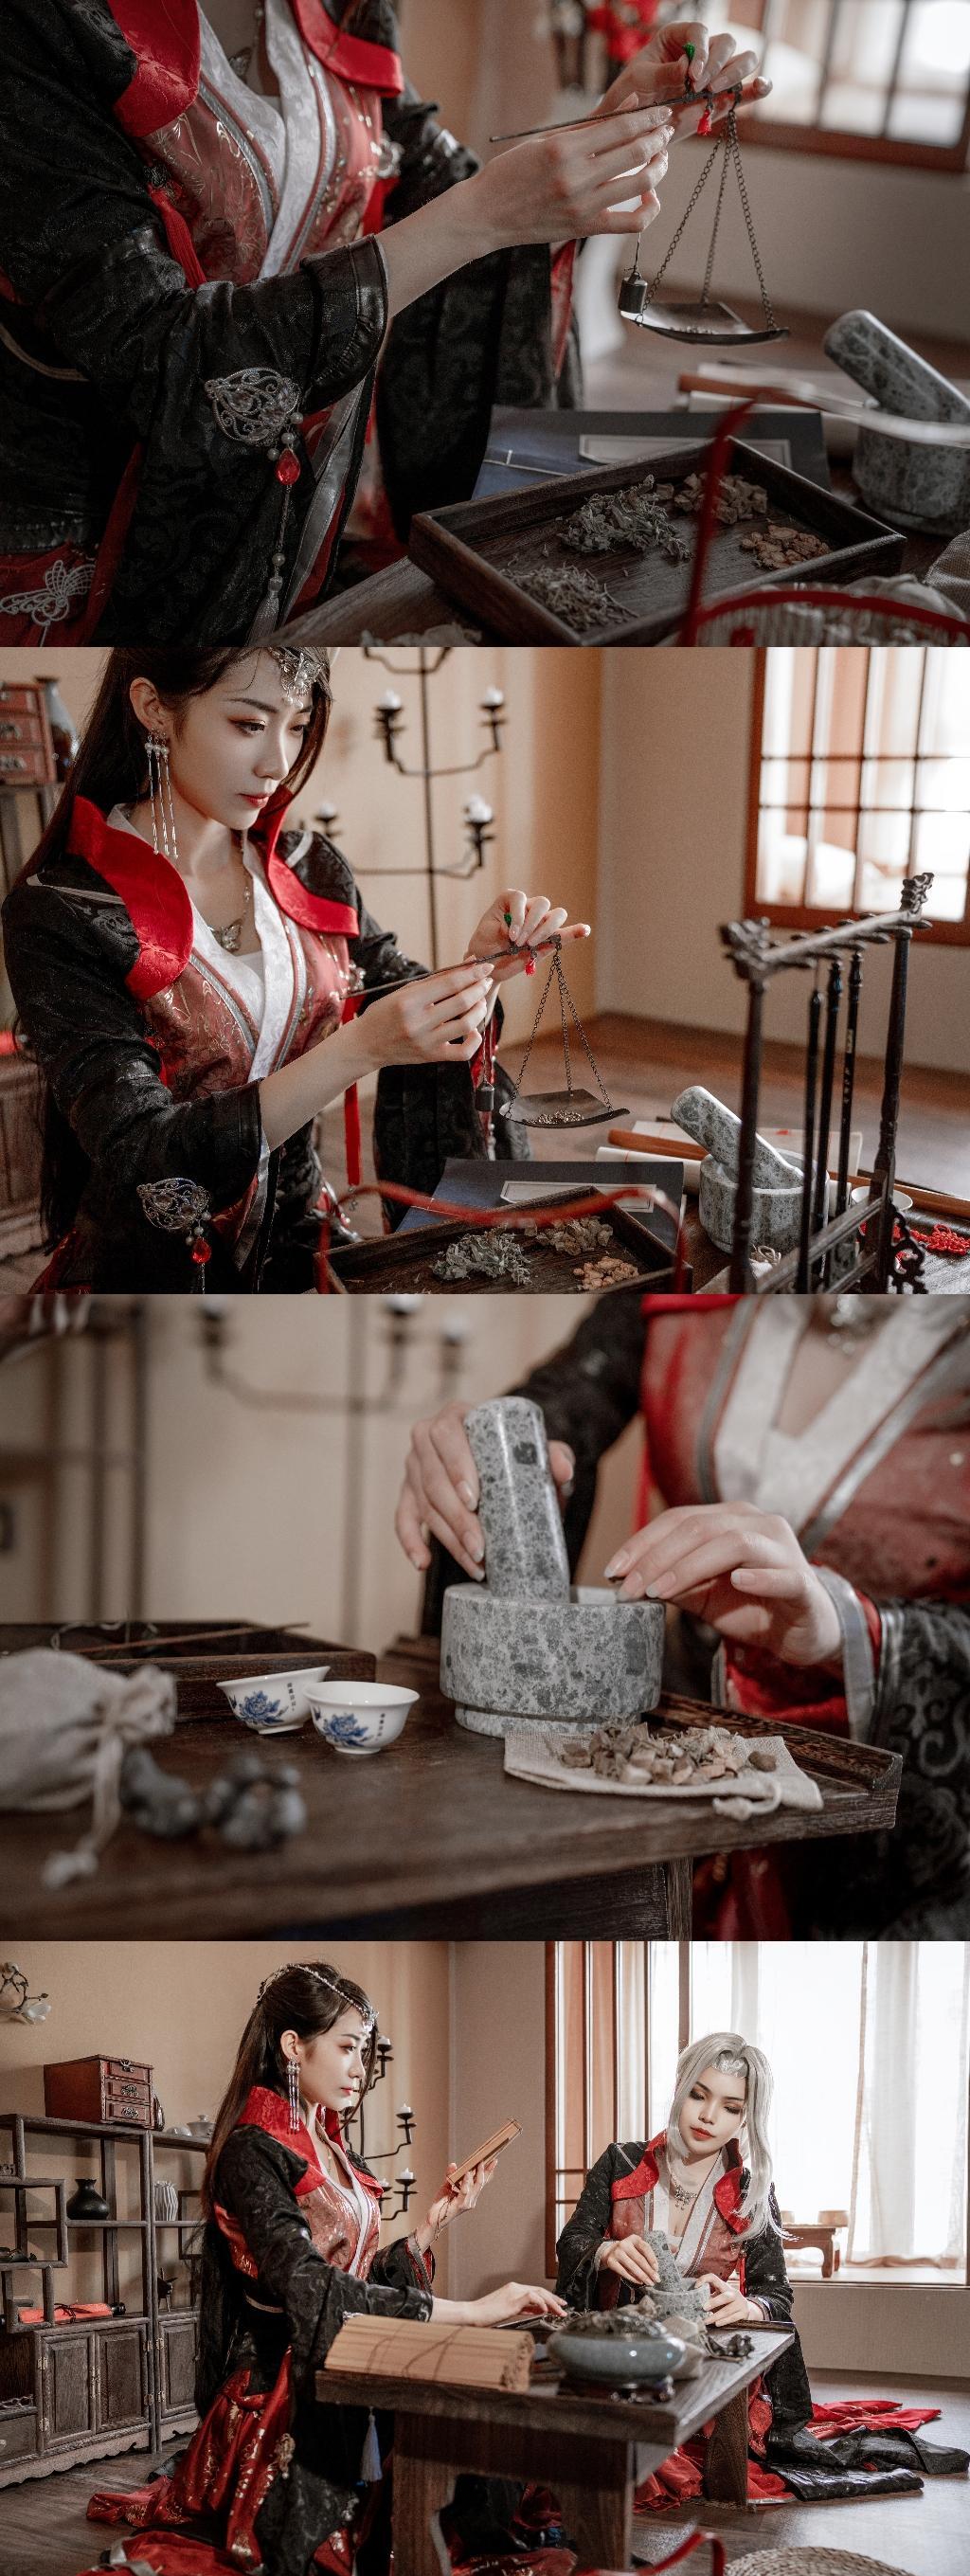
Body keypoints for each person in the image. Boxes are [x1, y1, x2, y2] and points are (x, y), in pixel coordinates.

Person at [0, 8, 768, 644]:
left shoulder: (343, 8)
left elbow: (429, 191)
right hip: (110, 525)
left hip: (315, 500)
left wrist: (609, 129)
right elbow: (157, 350)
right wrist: (481, 216)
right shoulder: (42, 27)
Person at [2, 641, 588, 1289]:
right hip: (157, 1269)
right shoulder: (63, 911)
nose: (278, 764)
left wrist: (477, 971)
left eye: (298, 726)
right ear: (153, 708)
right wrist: (356, 1050)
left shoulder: (310, 868)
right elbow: (139, 1154)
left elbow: (392, 991)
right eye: (248, 724)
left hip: (307, 1245)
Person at [395, 1291, 970, 1937]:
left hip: (864, 1794)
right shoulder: (687, 1279)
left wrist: (848, 1630)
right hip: (672, 1742)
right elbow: (565, 1407)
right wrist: (489, 1461)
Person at [62, 1961, 565, 2576]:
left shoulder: (331, 2142)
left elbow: (359, 2272)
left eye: (365, 2052)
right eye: (348, 2048)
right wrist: (472, 2310)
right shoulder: (252, 2150)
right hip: (287, 2383)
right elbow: (312, 2287)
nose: (361, 2069)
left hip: (347, 2348)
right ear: (293, 2047)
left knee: (479, 2419)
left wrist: (436, 2222)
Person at [557, 2031, 968, 2511]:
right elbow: (573, 2242)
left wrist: (746, 2304)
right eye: (698, 2096)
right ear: (680, 2091)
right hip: (620, 2348)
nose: (709, 2116)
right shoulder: (621, 2161)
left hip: (701, 2354)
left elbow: (776, 2294)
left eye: (731, 2107)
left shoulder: (751, 2190)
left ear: (746, 2117)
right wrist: (605, 2251)